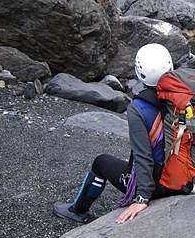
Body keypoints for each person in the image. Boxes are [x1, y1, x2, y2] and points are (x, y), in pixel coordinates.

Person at [53, 43, 174, 225]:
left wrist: (142, 197)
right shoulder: (182, 95)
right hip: (181, 174)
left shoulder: (138, 108)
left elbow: (143, 156)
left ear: (139, 72)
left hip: (160, 184)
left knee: (101, 162)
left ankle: (78, 210)